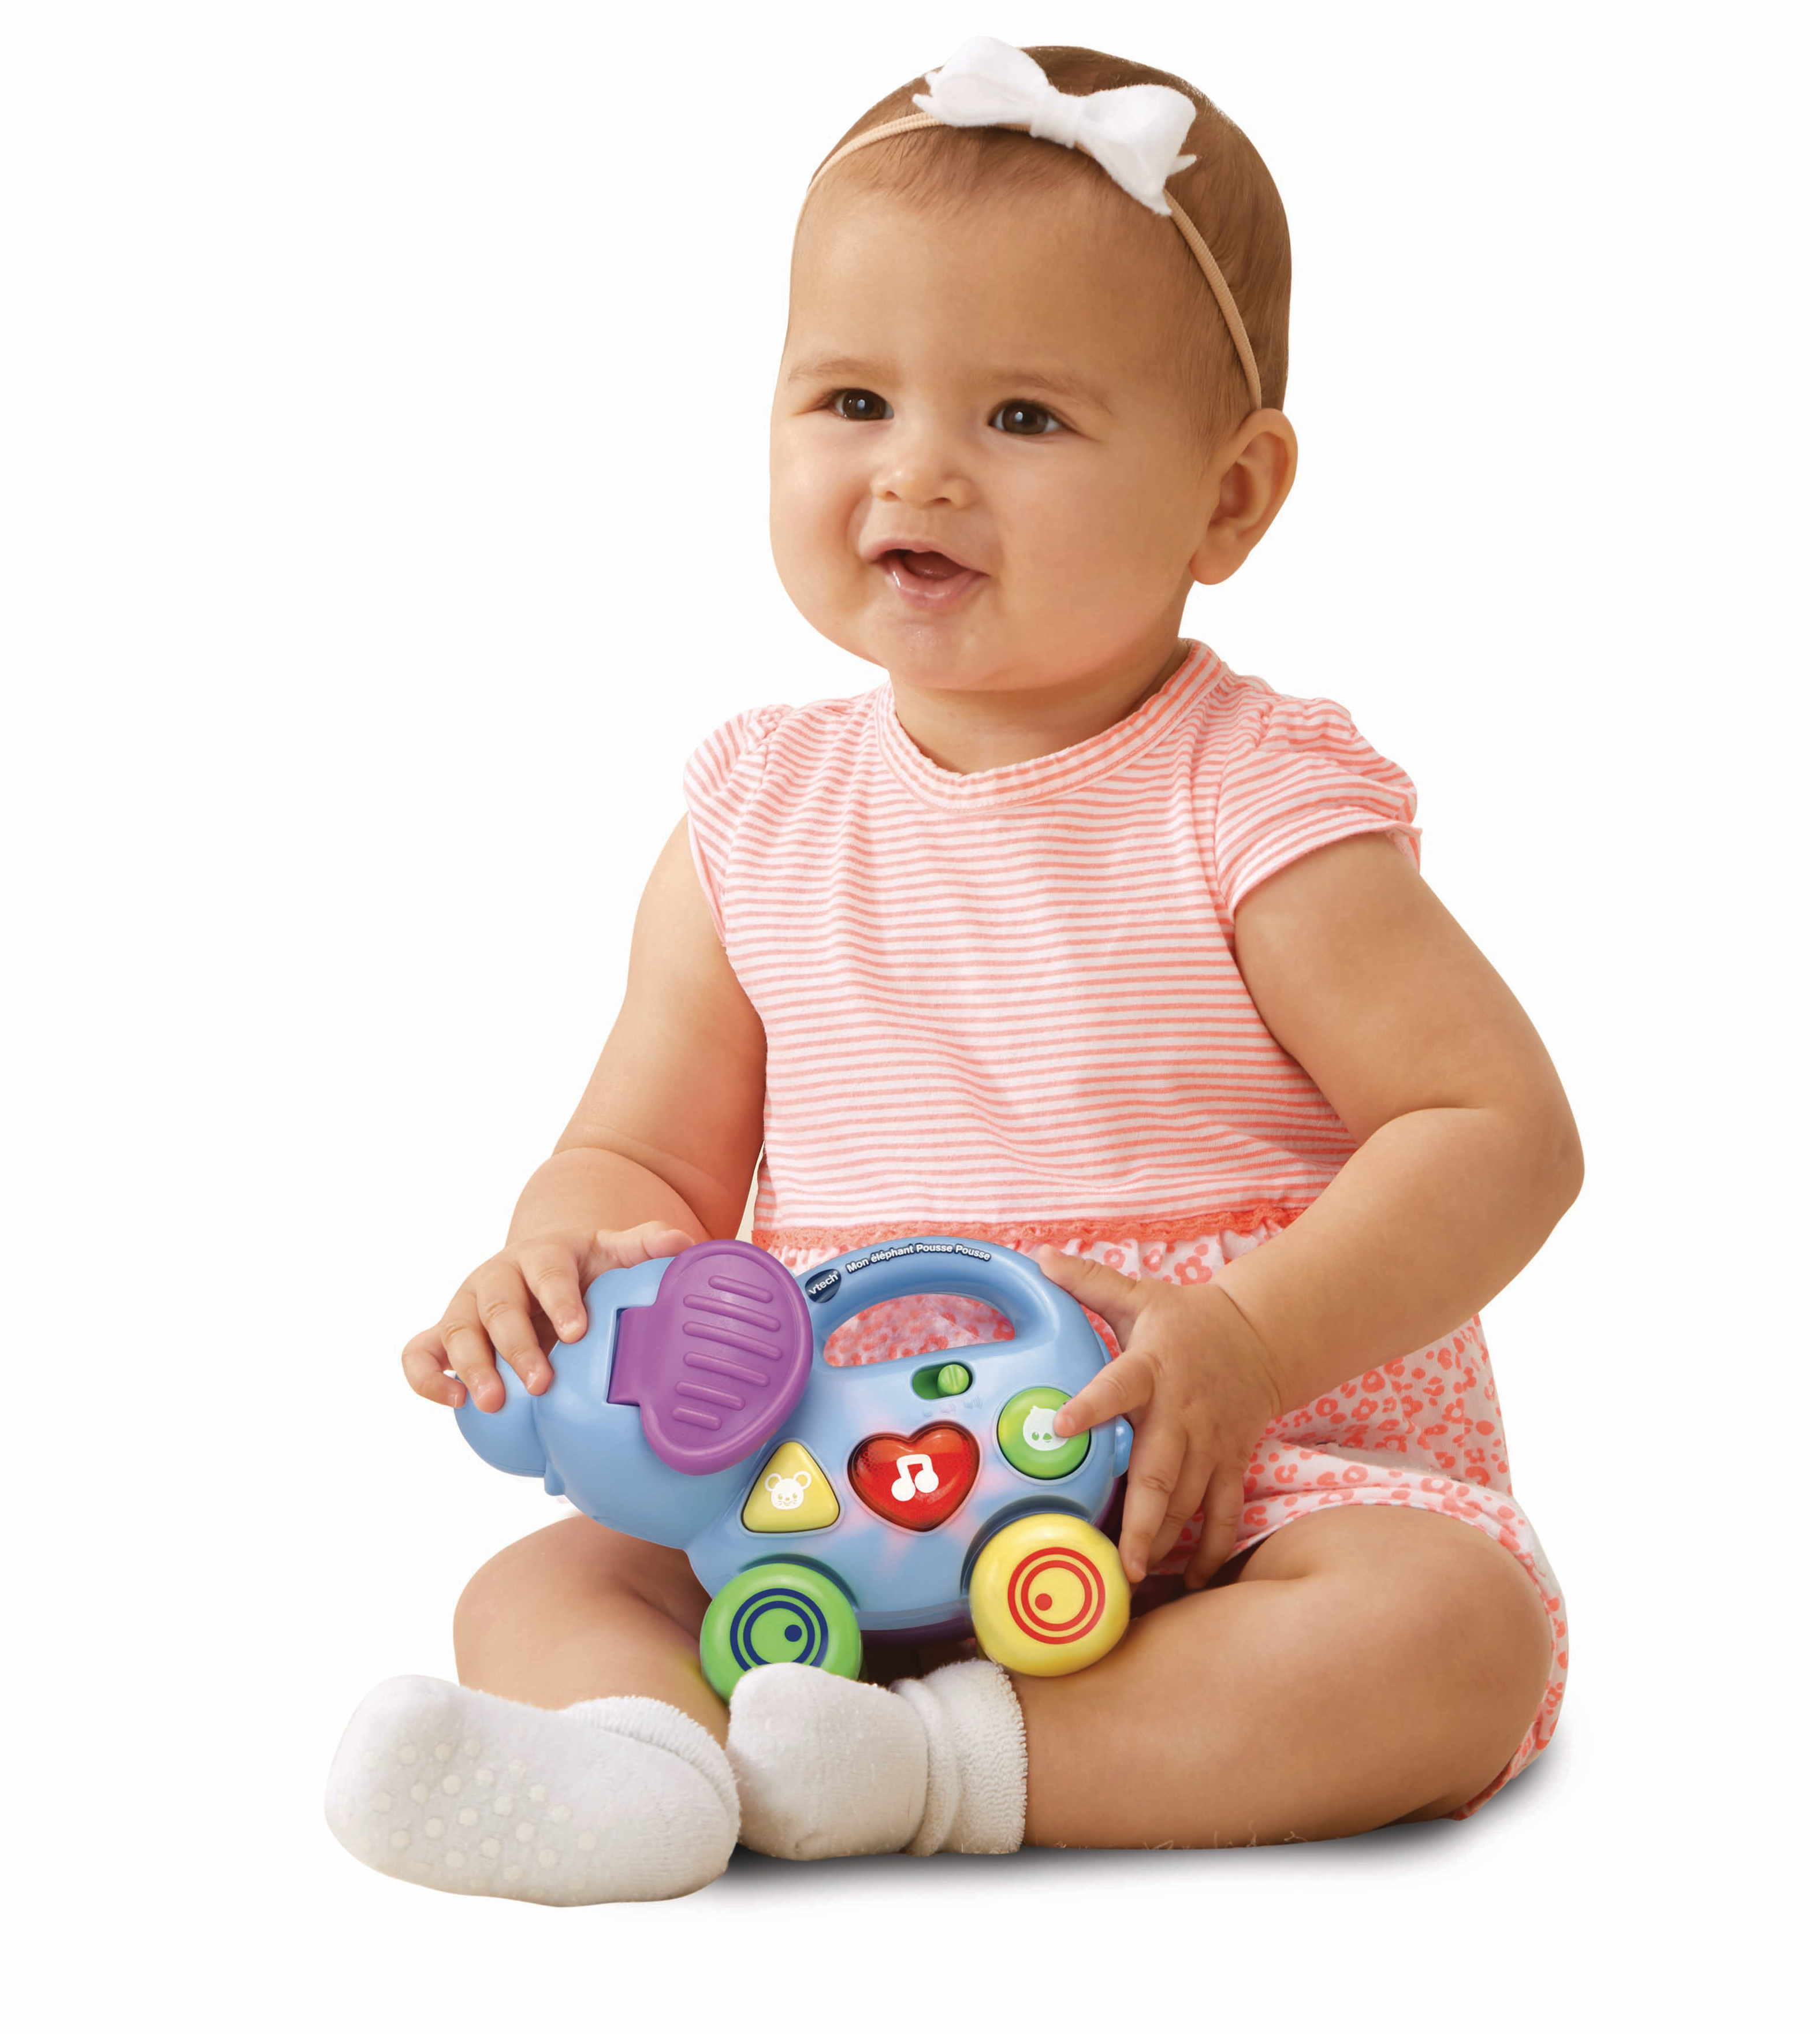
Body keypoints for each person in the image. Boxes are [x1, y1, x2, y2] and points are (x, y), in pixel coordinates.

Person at [326, 36, 1578, 1903]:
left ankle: (933, 1766)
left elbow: (1498, 1130)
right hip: (818, 1486)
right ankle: (648, 1771)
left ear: (1230, 499)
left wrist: (1247, 1344)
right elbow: (642, 1161)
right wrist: (560, 1268)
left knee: (1444, 1631)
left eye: (1024, 418)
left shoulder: (1253, 800)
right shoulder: (755, 819)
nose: (916, 467)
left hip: (1215, 1489)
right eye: (852, 397)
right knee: (542, 1581)